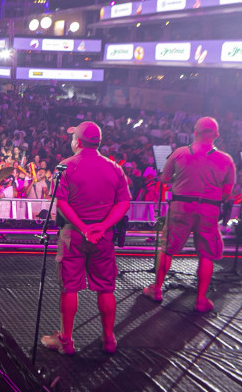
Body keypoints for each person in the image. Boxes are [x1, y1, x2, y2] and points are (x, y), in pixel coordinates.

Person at [42, 121, 130, 355]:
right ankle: (109, 339)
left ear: (78, 142)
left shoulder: (65, 166)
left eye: (72, 138)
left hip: (73, 235)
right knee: (106, 288)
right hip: (104, 237)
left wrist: (83, 228)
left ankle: (66, 341)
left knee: (70, 288)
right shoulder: (114, 167)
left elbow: (61, 203)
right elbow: (124, 202)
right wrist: (102, 226)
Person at [143, 117, 236, 313]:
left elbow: (165, 179)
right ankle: (201, 299)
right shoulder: (226, 160)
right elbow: (227, 193)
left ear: (195, 132)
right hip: (209, 209)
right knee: (207, 254)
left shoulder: (179, 153)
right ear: (216, 135)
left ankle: (157, 290)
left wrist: (182, 180)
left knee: (167, 248)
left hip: (181, 206)